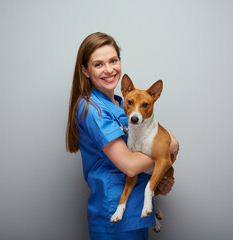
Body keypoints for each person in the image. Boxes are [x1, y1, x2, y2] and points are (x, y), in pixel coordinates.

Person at [66, 32, 179, 240]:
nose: (109, 69)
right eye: (98, 64)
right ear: (85, 70)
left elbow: (142, 154)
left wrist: (160, 178)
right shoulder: (93, 109)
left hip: (137, 211)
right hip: (114, 216)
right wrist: (169, 147)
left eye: (113, 60)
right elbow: (129, 165)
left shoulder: (121, 103)